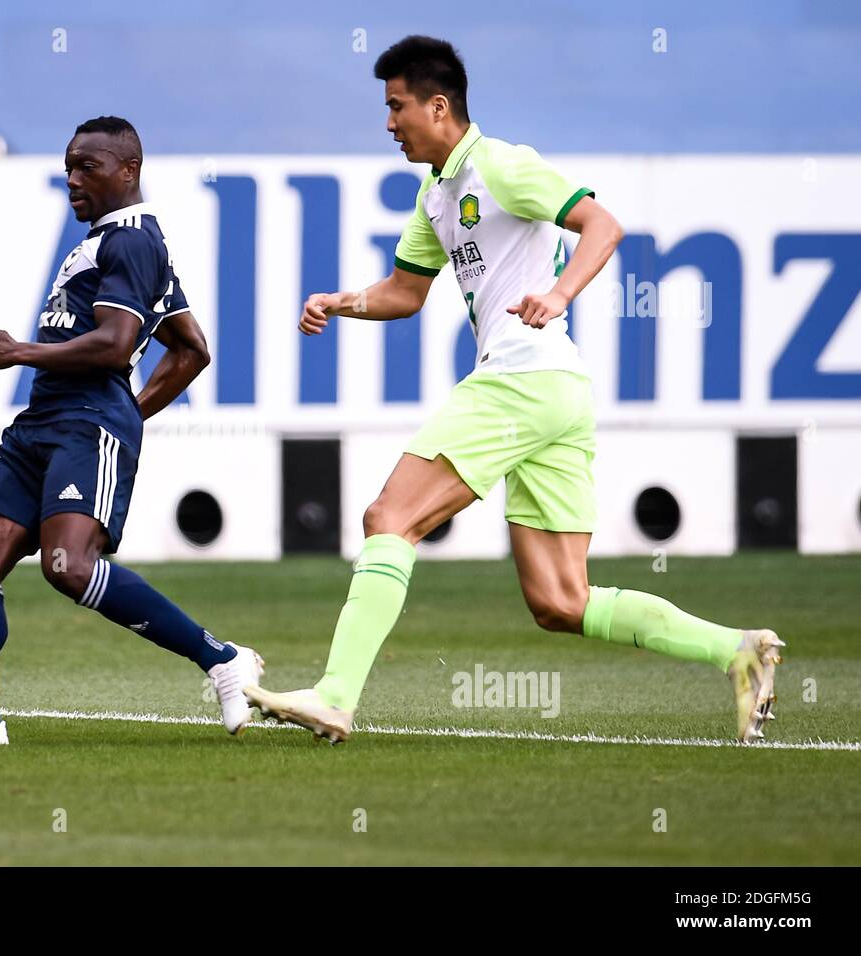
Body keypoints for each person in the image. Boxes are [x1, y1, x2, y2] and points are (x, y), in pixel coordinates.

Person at [245, 36, 780, 744]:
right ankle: (739, 651)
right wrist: (340, 302)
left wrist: (559, 292)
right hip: (555, 389)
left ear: (439, 106)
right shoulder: (437, 192)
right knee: (561, 600)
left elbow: (603, 225)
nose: (388, 123)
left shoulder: (500, 164)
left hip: (520, 377)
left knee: (389, 518)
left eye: (397, 106)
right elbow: (405, 292)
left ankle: (336, 695)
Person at [0, 117, 263, 745]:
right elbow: (191, 349)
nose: (72, 179)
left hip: (82, 421)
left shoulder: (133, 241)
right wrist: (132, 414)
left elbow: (117, 342)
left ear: (128, 171)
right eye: (68, 166)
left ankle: (221, 659)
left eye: (87, 167)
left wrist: (23, 356)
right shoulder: (113, 240)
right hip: (47, 420)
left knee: (68, 565)